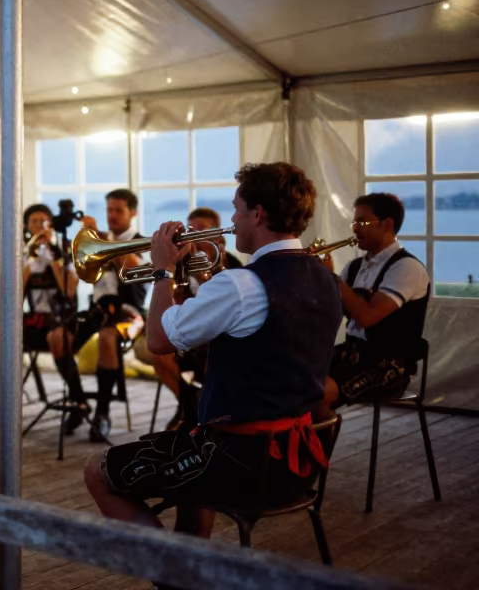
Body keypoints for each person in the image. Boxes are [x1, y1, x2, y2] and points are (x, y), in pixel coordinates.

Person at [84, 163, 341, 552]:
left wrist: (163, 271)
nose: (233, 218)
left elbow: (157, 340)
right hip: (296, 460)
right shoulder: (324, 274)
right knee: (189, 456)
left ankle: (176, 574)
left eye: (237, 209)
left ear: (258, 214)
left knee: (98, 471)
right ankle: (191, 562)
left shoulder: (241, 283)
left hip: (240, 462)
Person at [316, 193, 431, 417]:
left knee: (317, 394)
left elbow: (367, 317)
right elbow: (329, 316)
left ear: (387, 224)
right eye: (355, 221)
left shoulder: (406, 268)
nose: (356, 228)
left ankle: (315, 451)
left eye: (363, 221)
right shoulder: (354, 266)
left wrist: (334, 280)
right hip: (350, 354)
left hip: (388, 365)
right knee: (292, 381)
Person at [0, 203, 78, 424]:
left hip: (62, 319)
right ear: (26, 228)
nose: (40, 226)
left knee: (56, 338)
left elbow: (69, 291)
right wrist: (28, 263)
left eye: (44, 221)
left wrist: (54, 257)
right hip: (36, 319)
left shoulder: (65, 249)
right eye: (34, 222)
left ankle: (78, 401)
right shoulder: (23, 254)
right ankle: (4, 401)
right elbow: (15, 300)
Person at [142, 207, 243, 431]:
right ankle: (187, 404)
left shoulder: (233, 266)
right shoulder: (181, 262)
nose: (192, 238)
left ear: (218, 236)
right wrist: (171, 274)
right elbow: (174, 308)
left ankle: (199, 412)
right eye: (190, 231)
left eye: (202, 232)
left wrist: (201, 275)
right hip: (189, 336)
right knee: (159, 356)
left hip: (219, 338)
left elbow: (222, 308)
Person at [72, 188, 147, 441]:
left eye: (118, 210)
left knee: (106, 337)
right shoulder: (102, 238)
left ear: (133, 213)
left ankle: (102, 413)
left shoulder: (140, 241)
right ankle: (78, 402)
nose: (112, 215)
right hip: (99, 309)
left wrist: (102, 239)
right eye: (109, 210)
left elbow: (133, 268)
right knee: (58, 337)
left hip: (131, 313)